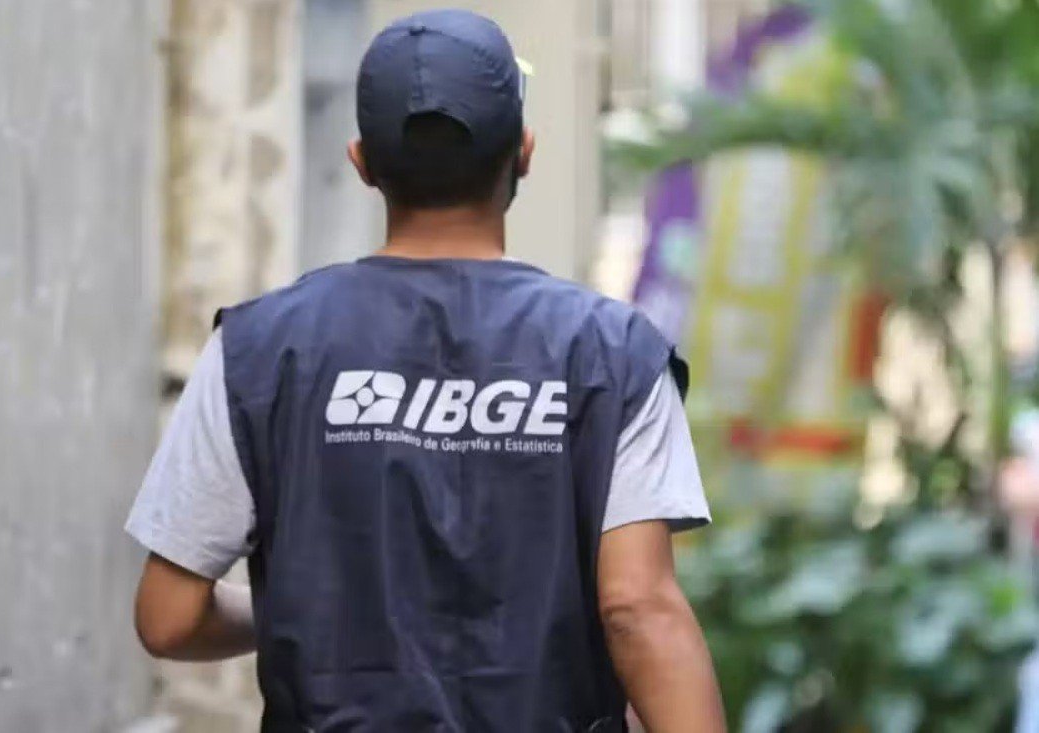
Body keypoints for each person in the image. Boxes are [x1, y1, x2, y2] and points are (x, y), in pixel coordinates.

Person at [125, 9, 725, 732]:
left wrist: (312, 614)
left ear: (361, 163)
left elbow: (169, 616)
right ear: (524, 153)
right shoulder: (615, 353)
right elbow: (637, 608)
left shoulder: (256, 349)